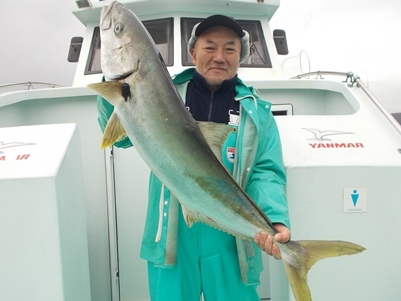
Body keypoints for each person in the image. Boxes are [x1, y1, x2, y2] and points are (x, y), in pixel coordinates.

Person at [97, 14, 291, 301]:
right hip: (171, 237)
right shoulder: (159, 91)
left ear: (242, 56)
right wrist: (114, 89)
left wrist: (274, 218)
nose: (219, 57)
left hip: (232, 239)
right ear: (193, 52)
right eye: (209, 47)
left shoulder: (258, 114)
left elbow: (266, 172)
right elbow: (121, 137)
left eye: (230, 48)